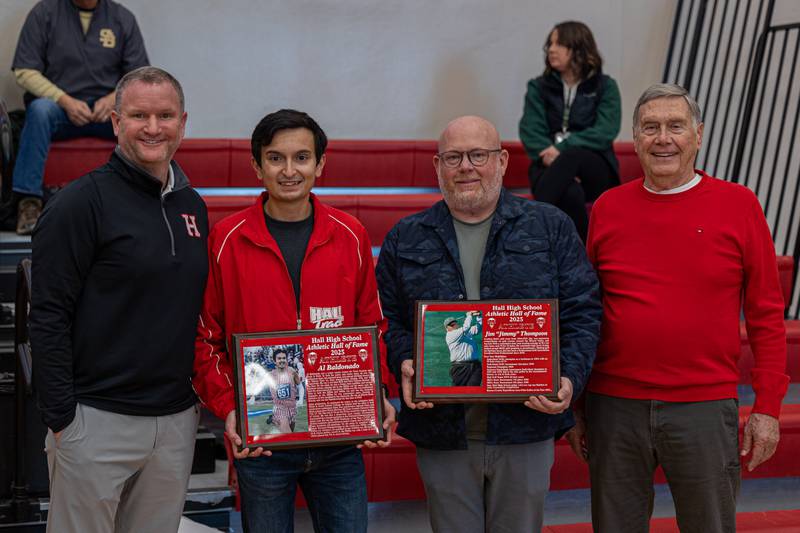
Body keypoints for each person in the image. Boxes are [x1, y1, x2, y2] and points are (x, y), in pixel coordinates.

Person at [569, 83, 789, 533]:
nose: (663, 138)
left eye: (675, 126)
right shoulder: (608, 208)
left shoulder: (739, 205)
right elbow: (585, 310)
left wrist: (767, 407)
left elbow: (766, 313)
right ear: (635, 137)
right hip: (615, 407)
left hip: (703, 407)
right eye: (650, 127)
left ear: (699, 135)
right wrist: (578, 404)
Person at [376, 115, 601, 532]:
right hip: (442, 428)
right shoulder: (406, 237)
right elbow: (388, 321)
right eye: (453, 157)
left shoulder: (549, 227)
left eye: (478, 155)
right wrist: (406, 360)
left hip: (525, 426)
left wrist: (568, 378)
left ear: (500, 161)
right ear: (436, 166)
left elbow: (582, 311)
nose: (466, 166)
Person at [192, 109, 397, 533]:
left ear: (320, 163)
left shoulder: (351, 234)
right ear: (256, 165)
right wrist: (230, 408)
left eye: (302, 157)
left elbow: (372, 327)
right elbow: (205, 338)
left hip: (340, 442)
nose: (289, 171)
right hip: (263, 443)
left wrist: (376, 393)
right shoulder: (226, 238)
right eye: (275, 158)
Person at [29, 66, 206, 533]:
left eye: (165, 115)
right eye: (139, 115)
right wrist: (63, 419)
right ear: (115, 121)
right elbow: (47, 317)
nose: (153, 127)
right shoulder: (78, 205)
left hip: (173, 423)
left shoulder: (193, 206)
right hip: (96, 420)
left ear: (183, 122)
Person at [1, 0, 148, 234]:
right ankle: (29, 203)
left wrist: (113, 98)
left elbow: (139, 75)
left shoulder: (122, 18)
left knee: (140, 119)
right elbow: (24, 71)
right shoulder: (44, 12)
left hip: (106, 109)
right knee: (39, 110)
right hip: (59, 108)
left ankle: (142, 198)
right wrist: (64, 100)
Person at [519, 20, 621, 241]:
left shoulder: (605, 87)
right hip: (546, 163)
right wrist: (555, 159)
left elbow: (605, 130)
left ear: (578, 48)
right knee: (571, 193)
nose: (551, 49)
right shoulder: (538, 87)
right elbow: (530, 129)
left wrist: (562, 150)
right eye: (550, 44)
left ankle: (527, 228)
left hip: (595, 168)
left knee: (572, 155)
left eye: (559, 43)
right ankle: (585, 256)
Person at [269, 349, 302, 433]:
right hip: (280, 410)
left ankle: (273, 419)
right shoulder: (270, 375)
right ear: (274, 361)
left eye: (284, 358)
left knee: (291, 432)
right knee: (289, 437)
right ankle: (274, 418)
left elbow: (299, 384)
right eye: (279, 358)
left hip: (292, 409)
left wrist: (300, 399)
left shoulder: (292, 371)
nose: (282, 360)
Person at [444, 312, 481, 386]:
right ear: (446, 328)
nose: (454, 326)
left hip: (475, 365)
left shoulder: (463, 332)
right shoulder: (450, 335)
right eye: (451, 325)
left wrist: (479, 317)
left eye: (455, 324)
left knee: (474, 390)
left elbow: (478, 328)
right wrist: (469, 315)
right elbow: (466, 327)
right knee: (458, 392)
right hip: (460, 367)